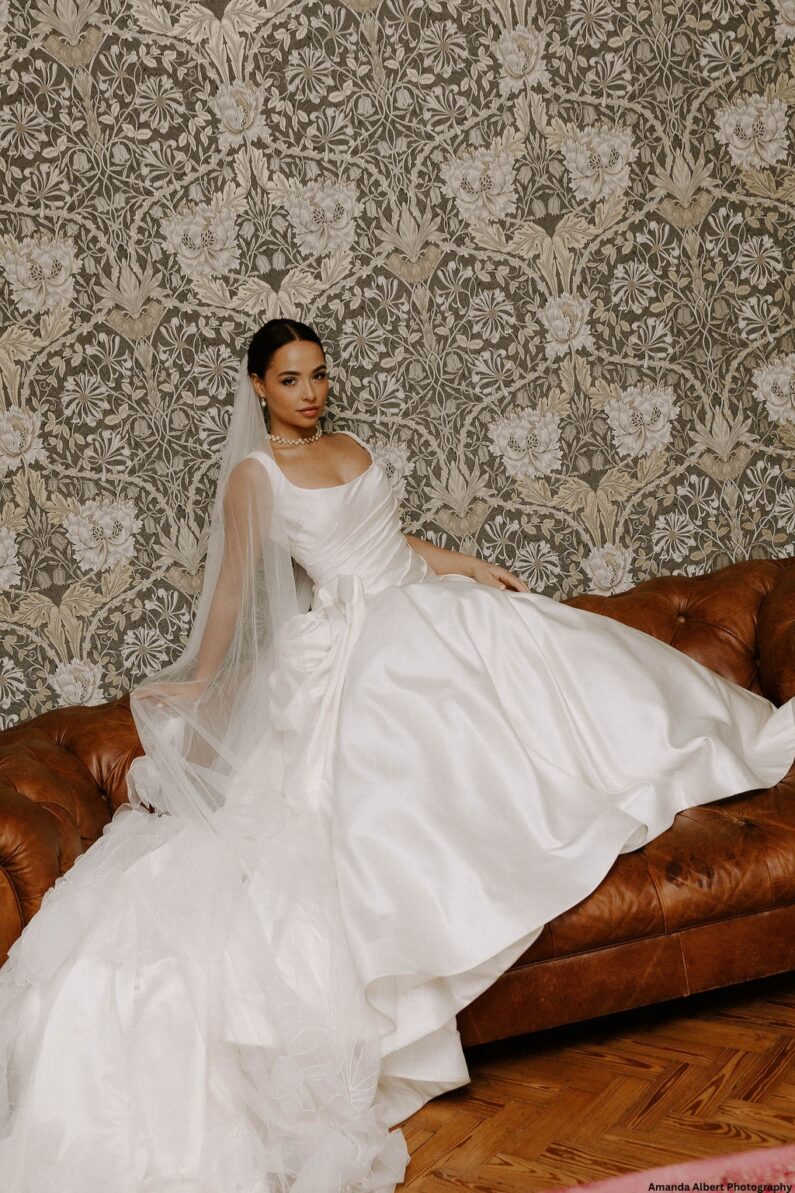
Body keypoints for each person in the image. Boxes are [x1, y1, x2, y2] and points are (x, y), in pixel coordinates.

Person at [0, 318, 792, 1193]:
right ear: (257, 386)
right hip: (359, 642)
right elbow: (234, 589)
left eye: (318, 375)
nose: (310, 393)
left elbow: (390, 544)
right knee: (398, 747)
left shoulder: (347, 445)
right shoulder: (254, 475)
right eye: (290, 379)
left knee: (566, 671)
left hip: (423, 605)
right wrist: (199, 679)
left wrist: (469, 565)